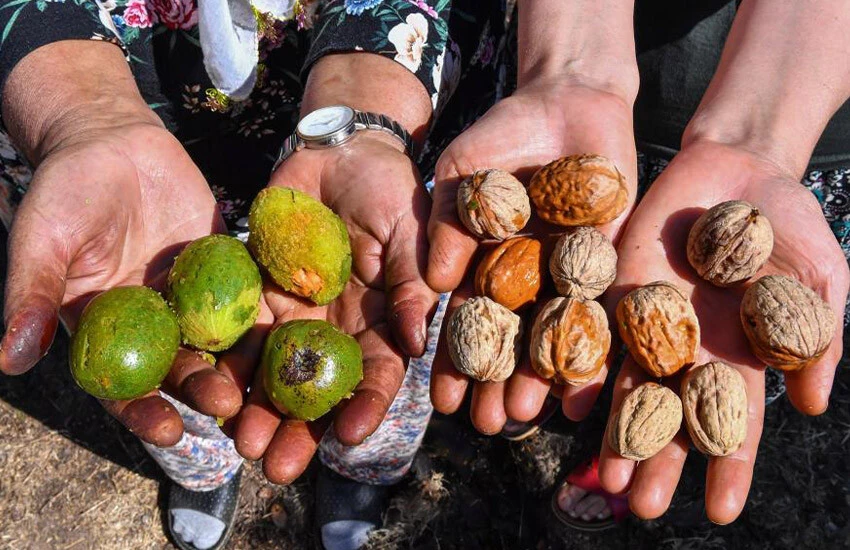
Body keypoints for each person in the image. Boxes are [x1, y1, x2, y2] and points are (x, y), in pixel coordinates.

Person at [0, 0, 489, 548]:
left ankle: (362, 470)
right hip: (141, 187)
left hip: (370, 146)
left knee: (390, 330)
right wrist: (82, 117)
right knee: (187, 388)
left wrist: (360, 121)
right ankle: (203, 472)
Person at [426, 0, 850, 530]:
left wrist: (763, 142)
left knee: (665, 357)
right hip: (600, 90)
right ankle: (564, 402)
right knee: (568, 353)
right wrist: (568, 70)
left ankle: (594, 434)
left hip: (786, 101)